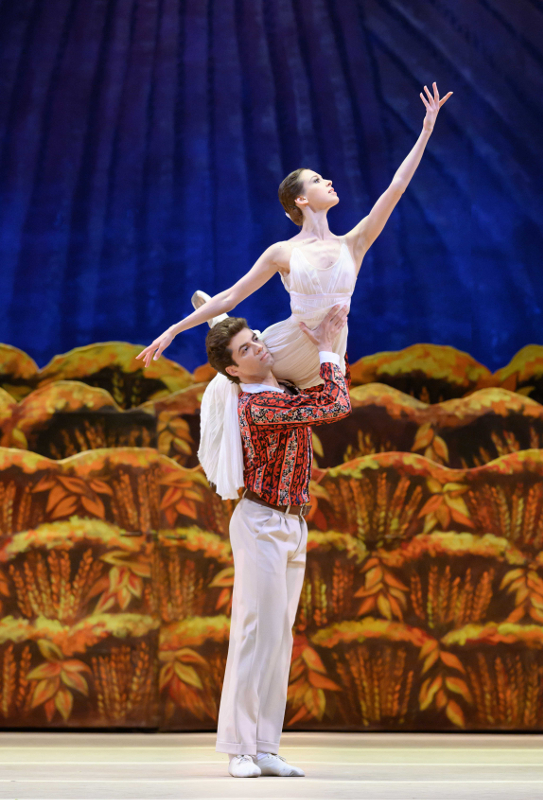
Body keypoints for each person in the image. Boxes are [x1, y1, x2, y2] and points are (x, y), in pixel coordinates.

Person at [136, 82, 452, 498]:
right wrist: (173, 330)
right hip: (289, 345)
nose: (329, 181)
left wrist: (426, 130)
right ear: (301, 200)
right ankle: (220, 330)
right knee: (242, 387)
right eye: (318, 180)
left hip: (326, 352)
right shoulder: (283, 252)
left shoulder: (353, 244)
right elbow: (233, 294)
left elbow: (396, 187)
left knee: (301, 420)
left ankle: (222, 329)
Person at [204, 305, 351, 778]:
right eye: (246, 349)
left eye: (255, 339)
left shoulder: (283, 389)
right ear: (233, 370)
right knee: (253, 633)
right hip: (261, 521)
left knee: (278, 636)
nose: (259, 348)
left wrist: (325, 343)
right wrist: (326, 349)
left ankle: (265, 745)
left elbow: (322, 388)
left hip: (292, 523)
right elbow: (333, 405)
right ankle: (239, 748)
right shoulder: (257, 405)